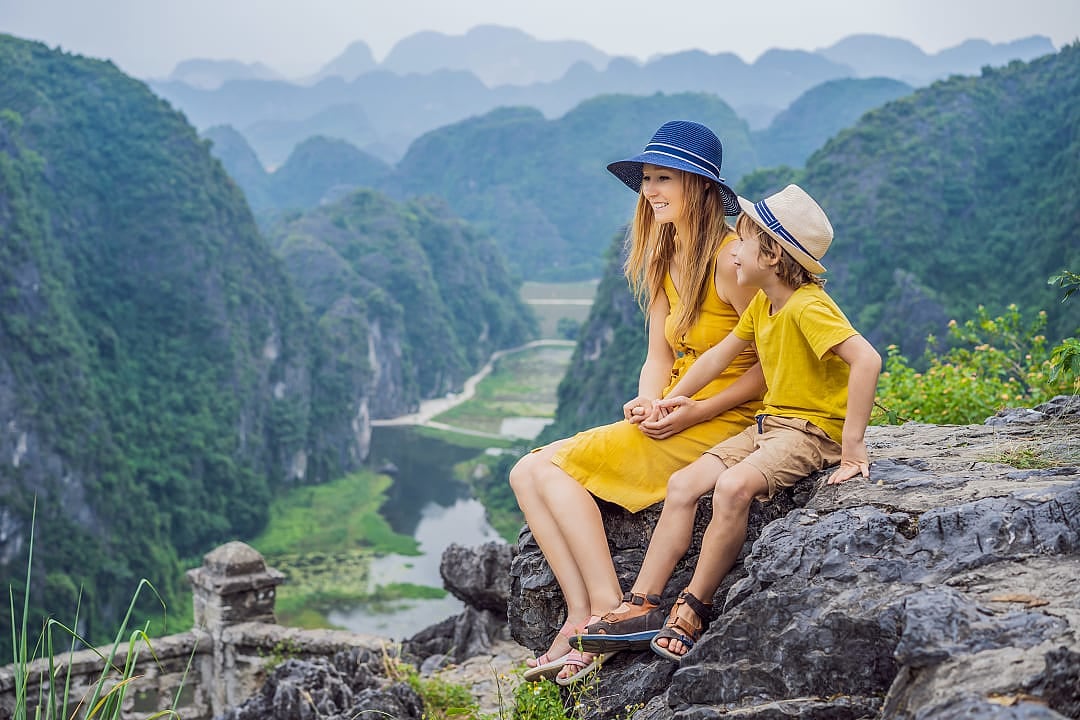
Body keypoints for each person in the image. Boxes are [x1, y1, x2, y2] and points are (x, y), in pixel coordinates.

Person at [572, 183, 882, 661]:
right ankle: (642, 604)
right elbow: (718, 357)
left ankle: (694, 606)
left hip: (810, 431)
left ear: (774, 254)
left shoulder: (808, 305)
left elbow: (867, 359)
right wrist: (669, 400)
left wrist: (852, 444)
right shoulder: (764, 304)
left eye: (746, 241)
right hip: (769, 425)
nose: (735, 251)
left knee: (732, 487)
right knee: (683, 484)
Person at [510, 120, 766, 685]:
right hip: (674, 409)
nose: (650, 191)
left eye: (664, 178)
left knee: (547, 470)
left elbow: (769, 371)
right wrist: (648, 400)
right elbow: (658, 355)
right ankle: (582, 616)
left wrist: (692, 410)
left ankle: (607, 610)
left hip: (724, 419)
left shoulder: (734, 261)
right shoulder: (664, 256)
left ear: (698, 187)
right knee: (525, 472)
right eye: (646, 179)